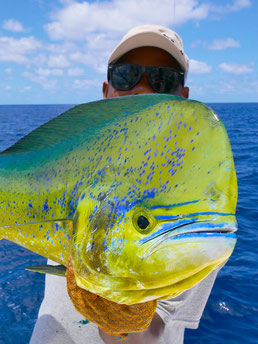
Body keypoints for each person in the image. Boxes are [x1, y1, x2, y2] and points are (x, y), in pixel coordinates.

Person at [30, 25, 220, 344]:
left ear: (182, 97)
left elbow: (149, 335)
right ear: (107, 91)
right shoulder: (66, 168)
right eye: (127, 75)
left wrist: (118, 316)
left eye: (162, 78)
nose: (143, 89)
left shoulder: (198, 205)